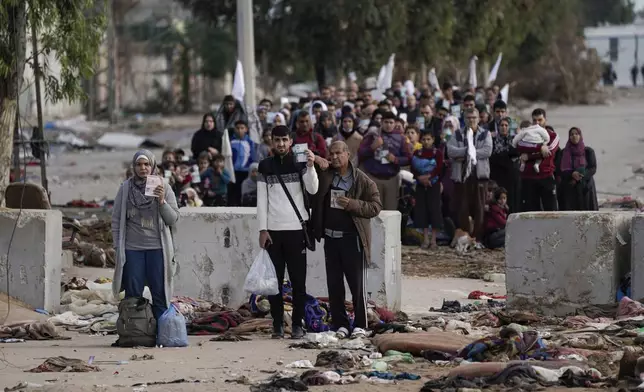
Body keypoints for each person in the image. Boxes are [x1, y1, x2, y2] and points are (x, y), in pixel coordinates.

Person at [310, 141, 382, 339]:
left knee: (357, 286)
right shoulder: (326, 174)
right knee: (334, 285)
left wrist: (353, 204)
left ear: (347, 154)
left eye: (338, 153)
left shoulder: (362, 180)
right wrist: (316, 158)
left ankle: (360, 324)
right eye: (330, 154)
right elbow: (306, 166)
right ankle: (340, 324)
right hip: (331, 239)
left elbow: (375, 207)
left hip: (353, 240)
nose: (334, 157)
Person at [257, 125, 319, 339]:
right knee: (274, 282)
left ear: (291, 141)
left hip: (296, 231)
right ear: (271, 142)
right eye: (277, 140)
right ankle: (277, 324)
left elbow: (312, 189)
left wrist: (311, 167)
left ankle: (297, 325)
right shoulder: (265, 166)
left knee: (298, 282)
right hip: (274, 232)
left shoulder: (300, 162)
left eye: (284, 140)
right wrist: (262, 229)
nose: (281, 144)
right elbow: (262, 200)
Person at [111, 150, 179, 322]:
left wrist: (162, 201)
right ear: (134, 167)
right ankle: (135, 331)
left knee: (160, 293)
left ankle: (162, 333)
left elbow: (172, 219)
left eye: (146, 164)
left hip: (158, 249)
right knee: (133, 294)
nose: (143, 168)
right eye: (139, 165)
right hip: (132, 249)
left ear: (153, 166)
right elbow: (116, 220)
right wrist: (118, 248)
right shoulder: (126, 189)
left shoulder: (164, 186)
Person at [447, 108, 493, 244]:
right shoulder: (457, 134)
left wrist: (466, 155)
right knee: (462, 208)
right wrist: (468, 151)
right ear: (464, 119)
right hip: (462, 178)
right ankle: (464, 237)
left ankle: (477, 239)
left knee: (479, 209)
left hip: (479, 177)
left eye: (474, 117)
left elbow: (487, 151)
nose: (471, 120)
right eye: (468, 118)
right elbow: (450, 151)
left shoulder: (485, 134)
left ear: (479, 119)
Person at [357, 111, 413, 211]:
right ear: (382, 122)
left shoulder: (401, 138)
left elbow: (409, 158)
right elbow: (361, 153)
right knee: (373, 210)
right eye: (386, 122)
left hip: (391, 179)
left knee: (390, 211)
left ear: (395, 123)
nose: (388, 125)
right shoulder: (372, 135)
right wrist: (372, 147)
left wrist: (395, 159)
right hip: (373, 178)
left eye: (391, 122)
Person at [518, 108, 560, 212]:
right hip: (528, 177)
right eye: (534, 120)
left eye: (540, 120)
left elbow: (549, 151)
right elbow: (519, 146)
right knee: (530, 212)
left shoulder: (553, 136)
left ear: (545, 120)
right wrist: (540, 148)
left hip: (546, 176)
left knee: (551, 211)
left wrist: (529, 156)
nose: (537, 123)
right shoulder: (526, 135)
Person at [411, 132, 444, 249]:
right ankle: (425, 238)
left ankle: (433, 239)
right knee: (422, 210)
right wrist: (420, 178)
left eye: (428, 139)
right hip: (420, 184)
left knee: (434, 210)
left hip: (433, 184)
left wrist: (429, 177)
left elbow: (439, 168)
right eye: (424, 139)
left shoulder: (438, 153)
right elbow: (413, 168)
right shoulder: (417, 153)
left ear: (433, 139)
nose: (426, 142)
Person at [556, 127, 598, 211]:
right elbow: (559, 170)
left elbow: (593, 168)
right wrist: (572, 174)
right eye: (571, 134)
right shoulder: (564, 153)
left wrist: (581, 175)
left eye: (576, 134)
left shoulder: (588, 151)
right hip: (570, 187)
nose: (574, 136)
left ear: (580, 136)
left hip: (585, 187)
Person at [489, 117, 521, 213]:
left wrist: (502, 156)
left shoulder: (515, 140)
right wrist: (507, 155)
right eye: (501, 125)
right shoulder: (493, 140)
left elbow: (516, 153)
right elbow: (491, 156)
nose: (504, 127)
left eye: (506, 125)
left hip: (511, 176)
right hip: (497, 175)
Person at [229, 120, 257, 206]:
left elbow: (253, 157)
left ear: (246, 129)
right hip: (234, 172)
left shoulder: (250, 142)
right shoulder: (230, 142)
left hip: (245, 171)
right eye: (237, 128)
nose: (240, 130)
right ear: (234, 129)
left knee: (243, 190)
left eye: (242, 128)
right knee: (234, 192)